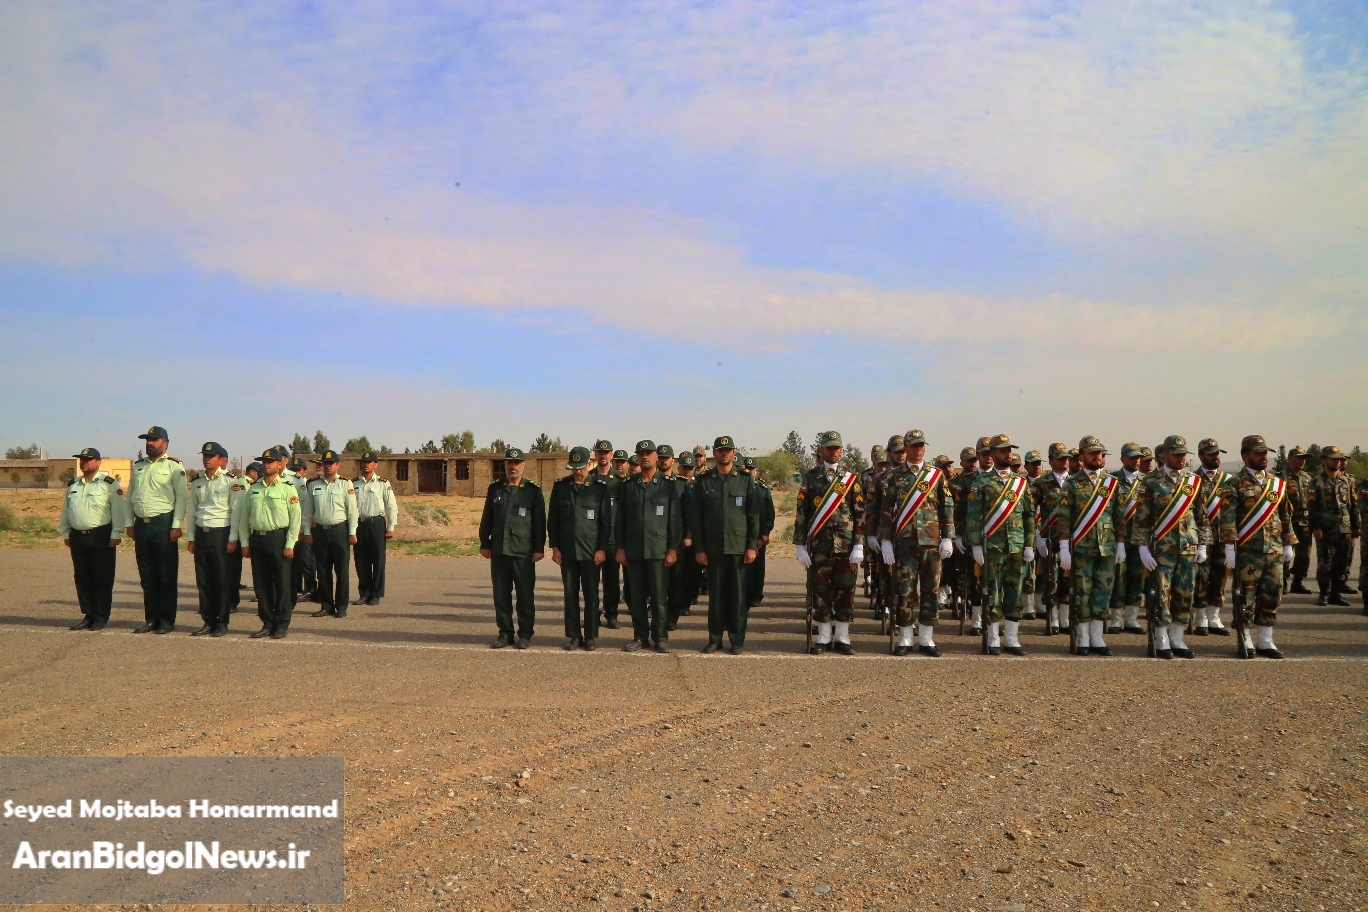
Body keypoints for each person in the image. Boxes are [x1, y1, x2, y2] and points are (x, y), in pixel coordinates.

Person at [1217, 435, 1297, 658]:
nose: (1264, 457)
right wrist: (1229, 547)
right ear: (1245, 456)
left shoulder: (1276, 483)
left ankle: (1266, 640)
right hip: (1248, 551)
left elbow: (1285, 515)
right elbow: (1227, 518)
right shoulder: (1233, 484)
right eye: (1258, 453)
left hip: (1274, 550)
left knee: (1272, 594)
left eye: (1265, 453)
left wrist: (1288, 543)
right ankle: (1246, 637)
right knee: (1246, 597)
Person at [877, 429, 955, 656]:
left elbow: (946, 507)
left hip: (931, 541)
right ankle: (906, 638)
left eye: (921, 445)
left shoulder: (936, 475)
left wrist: (948, 537)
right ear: (906, 448)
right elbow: (886, 510)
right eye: (914, 445)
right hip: (905, 543)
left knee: (931, 589)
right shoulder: (894, 476)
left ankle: (927, 639)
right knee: (905, 591)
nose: (918, 449)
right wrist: (885, 540)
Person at [1130, 435, 1208, 658]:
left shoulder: (1194, 481)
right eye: (1177, 454)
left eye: (1183, 454)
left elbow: (1201, 515)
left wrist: (1203, 544)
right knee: (1161, 595)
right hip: (1162, 548)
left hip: (1188, 546)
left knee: (1185, 593)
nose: (1181, 458)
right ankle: (1161, 637)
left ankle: (1177, 637)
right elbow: (1142, 518)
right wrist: (1142, 548)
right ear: (1165, 455)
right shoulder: (1150, 481)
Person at [793, 431, 865, 655]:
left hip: (846, 545)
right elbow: (802, 512)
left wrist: (859, 544)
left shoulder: (851, 479)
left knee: (846, 590)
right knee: (821, 590)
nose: (833, 452)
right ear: (822, 450)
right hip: (820, 545)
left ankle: (842, 635)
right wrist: (800, 545)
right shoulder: (810, 477)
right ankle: (823, 636)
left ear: (841, 450)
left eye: (836, 448)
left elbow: (859, 513)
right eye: (829, 448)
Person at [689, 436, 760, 654]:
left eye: (728, 450)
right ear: (714, 453)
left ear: (733, 453)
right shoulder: (704, 481)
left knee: (738, 596)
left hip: (738, 547)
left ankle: (737, 639)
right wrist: (700, 549)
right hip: (713, 548)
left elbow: (753, 516)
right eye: (720, 450)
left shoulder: (745, 480)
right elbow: (696, 518)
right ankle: (715, 638)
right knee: (716, 597)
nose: (724, 453)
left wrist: (751, 546)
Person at [966, 433, 1036, 655]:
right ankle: (994, 637)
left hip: (1017, 546)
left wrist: (1029, 544)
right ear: (993, 453)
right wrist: (976, 545)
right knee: (993, 593)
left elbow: (1029, 516)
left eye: (1009, 450)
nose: (1008, 454)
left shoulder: (1020, 482)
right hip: (993, 546)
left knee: (1015, 592)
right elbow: (973, 516)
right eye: (1003, 451)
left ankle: (1012, 639)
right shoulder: (981, 482)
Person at [1055, 436, 1125, 656]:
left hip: (1107, 547)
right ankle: (1083, 636)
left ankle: (1097, 636)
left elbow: (1119, 516)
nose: (1097, 457)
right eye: (1092, 453)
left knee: (1103, 591)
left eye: (1100, 453)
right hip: (1082, 547)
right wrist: (1064, 547)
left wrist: (1121, 544)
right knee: (1082, 593)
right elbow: (1064, 518)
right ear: (1082, 456)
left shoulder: (1112, 483)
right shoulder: (1072, 483)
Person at [614, 440, 681, 653]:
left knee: (659, 597)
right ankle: (640, 636)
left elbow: (675, 520)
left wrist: (672, 549)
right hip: (634, 549)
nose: (644, 457)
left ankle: (660, 637)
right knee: (636, 597)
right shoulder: (628, 485)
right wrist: (620, 548)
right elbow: (620, 520)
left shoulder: (668, 485)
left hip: (658, 549)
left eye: (648, 453)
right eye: (641, 454)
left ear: (655, 457)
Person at [479, 448, 546, 649]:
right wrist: (484, 543)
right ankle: (505, 633)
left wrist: (538, 548)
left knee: (525, 595)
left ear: (523, 465)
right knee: (501, 595)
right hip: (500, 549)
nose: (513, 466)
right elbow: (487, 518)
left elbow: (539, 522)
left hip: (523, 551)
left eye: (516, 463)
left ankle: (525, 634)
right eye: (509, 463)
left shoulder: (532, 491)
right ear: (505, 465)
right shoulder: (495, 489)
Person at [234, 448, 302, 639]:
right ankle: (267, 622)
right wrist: (245, 542)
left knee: (282, 583)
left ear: (280, 464)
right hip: (258, 539)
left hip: (278, 539)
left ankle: (282, 623)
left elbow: (295, 518)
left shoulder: (287, 488)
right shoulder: (254, 488)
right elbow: (245, 517)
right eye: (264, 461)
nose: (266, 464)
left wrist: (290, 544)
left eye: (270, 461)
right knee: (261, 584)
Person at [59, 447, 129, 631]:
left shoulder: (109, 483)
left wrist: (116, 533)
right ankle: (88, 614)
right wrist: (65, 532)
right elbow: (67, 510)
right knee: (82, 577)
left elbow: (118, 510)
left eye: (88, 459)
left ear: (98, 462)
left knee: (102, 577)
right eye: (81, 459)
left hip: (101, 536)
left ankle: (100, 616)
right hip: (78, 536)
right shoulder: (73, 485)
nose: (83, 462)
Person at [127, 426, 187, 634]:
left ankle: (166, 620)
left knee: (165, 575)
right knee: (147, 575)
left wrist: (176, 525)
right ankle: (151, 618)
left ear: (165, 444)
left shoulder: (174, 466)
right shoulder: (139, 467)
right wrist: (129, 523)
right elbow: (131, 496)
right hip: (141, 525)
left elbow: (181, 498)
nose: (149, 443)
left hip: (163, 524)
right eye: (147, 440)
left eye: (154, 440)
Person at [548, 446, 608, 650]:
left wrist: (602, 549)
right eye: (574, 467)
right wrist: (555, 547)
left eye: (581, 467)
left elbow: (605, 522)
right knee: (570, 595)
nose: (578, 471)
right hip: (568, 551)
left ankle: (590, 635)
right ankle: (574, 635)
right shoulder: (561, 487)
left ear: (589, 465)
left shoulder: (599, 488)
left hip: (591, 551)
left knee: (591, 595)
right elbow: (553, 520)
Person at [186, 442, 237, 636]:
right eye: (205, 456)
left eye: (211, 456)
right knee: (204, 580)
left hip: (220, 533)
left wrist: (232, 538)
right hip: (202, 533)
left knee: (221, 579)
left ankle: (222, 622)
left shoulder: (230, 480)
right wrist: (191, 537)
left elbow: (236, 511)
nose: (207, 459)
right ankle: (208, 620)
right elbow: (193, 510)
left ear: (220, 459)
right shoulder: (198, 480)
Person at [301, 450, 359, 619]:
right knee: (323, 571)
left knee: (342, 571)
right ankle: (326, 605)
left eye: (330, 463)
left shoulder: (345, 484)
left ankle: (341, 606)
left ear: (337, 465)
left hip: (339, 531)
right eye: (324, 464)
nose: (327, 466)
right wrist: (306, 531)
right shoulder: (313, 485)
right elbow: (308, 511)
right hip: (320, 531)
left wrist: (352, 532)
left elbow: (352, 511)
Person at [1308, 445, 1360, 607]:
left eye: (1339, 459)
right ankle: (1324, 593)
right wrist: (1315, 527)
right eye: (1333, 459)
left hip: (1344, 528)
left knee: (1341, 562)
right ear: (1324, 461)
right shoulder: (1316, 482)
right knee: (1325, 562)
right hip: (1325, 528)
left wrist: (1355, 526)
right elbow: (1312, 507)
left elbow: (1353, 505)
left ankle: (1335, 594)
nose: (1337, 462)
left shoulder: (1347, 481)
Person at [1192, 438, 1232, 635]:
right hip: (1201, 537)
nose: (1215, 457)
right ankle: (1200, 619)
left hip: (1223, 537)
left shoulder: (1228, 480)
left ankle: (1214, 617)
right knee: (1201, 577)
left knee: (1220, 576)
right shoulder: (1192, 479)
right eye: (1210, 454)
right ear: (1201, 456)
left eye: (1217, 453)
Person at [1031, 442, 1071, 634]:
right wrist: (1037, 538)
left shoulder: (1076, 481)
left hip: (1071, 541)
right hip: (1050, 540)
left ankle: (1065, 619)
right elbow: (1030, 513)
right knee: (1051, 582)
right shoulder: (1041, 483)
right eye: (1060, 458)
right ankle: (1053, 618)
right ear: (1051, 460)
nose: (1064, 461)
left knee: (1068, 581)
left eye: (1066, 458)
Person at [1108, 443, 1148, 636]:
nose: (1136, 461)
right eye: (1132, 457)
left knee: (1137, 578)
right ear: (1122, 458)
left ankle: (1132, 619)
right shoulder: (1113, 480)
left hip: (1140, 539)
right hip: (1120, 538)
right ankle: (1116, 619)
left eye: (1138, 457)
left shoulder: (1147, 481)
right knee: (1118, 578)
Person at [353, 452, 398, 606]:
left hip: (376, 523)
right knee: (361, 561)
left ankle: (376, 594)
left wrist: (390, 527)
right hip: (359, 524)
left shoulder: (382, 483)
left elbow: (391, 506)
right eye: (363, 462)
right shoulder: (354, 483)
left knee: (378, 560)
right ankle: (364, 593)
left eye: (369, 462)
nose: (365, 464)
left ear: (375, 465)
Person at [591, 440, 624, 629]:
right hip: (592, 538)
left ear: (611, 455)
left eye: (606, 452)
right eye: (600, 452)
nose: (603, 455)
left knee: (611, 580)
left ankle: (611, 613)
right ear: (595, 454)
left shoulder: (620, 481)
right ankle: (593, 614)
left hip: (612, 538)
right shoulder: (588, 478)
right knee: (591, 581)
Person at [952, 445, 984, 634]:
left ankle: (992, 620)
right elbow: (957, 510)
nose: (973, 463)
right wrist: (957, 534)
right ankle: (977, 620)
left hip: (995, 536)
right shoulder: (963, 482)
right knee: (973, 578)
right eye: (969, 460)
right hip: (969, 535)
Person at [1280, 446, 1314, 594]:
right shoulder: (1281, 477)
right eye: (1299, 458)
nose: (1302, 461)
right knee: (1285, 554)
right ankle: (1282, 582)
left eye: (1304, 458)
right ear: (1290, 460)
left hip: (1305, 522)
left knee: (1304, 555)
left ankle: (1298, 582)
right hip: (1289, 522)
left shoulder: (1308, 478)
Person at [744, 455, 775, 609]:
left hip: (760, 533)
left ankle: (756, 595)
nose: (749, 472)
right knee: (744, 568)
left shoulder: (762, 488)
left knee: (758, 567)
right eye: (746, 469)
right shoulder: (739, 486)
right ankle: (744, 595)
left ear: (756, 470)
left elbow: (769, 512)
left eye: (752, 469)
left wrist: (766, 532)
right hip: (743, 534)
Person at [229, 462, 261, 610]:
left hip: (242, 530)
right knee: (234, 567)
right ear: (252, 472)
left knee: (236, 567)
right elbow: (240, 510)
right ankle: (232, 600)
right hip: (242, 530)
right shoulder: (244, 484)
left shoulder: (245, 483)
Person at [287, 456, 318, 604]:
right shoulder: (288, 484)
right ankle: (296, 588)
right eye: (293, 470)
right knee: (294, 562)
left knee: (307, 561)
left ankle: (311, 589)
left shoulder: (307, 485)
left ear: (305, 471)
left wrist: (305, 529)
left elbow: (307, 509)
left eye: (298, 470)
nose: (296, 472)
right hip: (291, 529)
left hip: (304, 528)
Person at [1020, 449, 1044, 620]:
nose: (1037, 466)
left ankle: (1041, 604)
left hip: (1044, 531)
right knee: (1027, 570)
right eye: (1033, 464)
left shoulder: (1047, 483)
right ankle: (1027, 606)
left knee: (1044, 571)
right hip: (1026, 532)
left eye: (1039, 463)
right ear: (1026, 465)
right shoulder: (1021, 484)